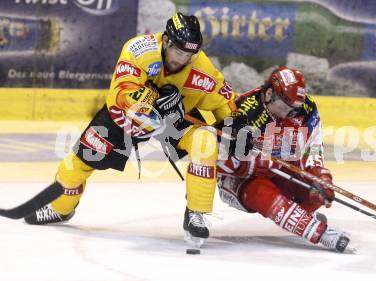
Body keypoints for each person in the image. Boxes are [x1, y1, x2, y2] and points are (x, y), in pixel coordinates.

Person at [24, 12, 237, 247]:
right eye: (178, 51)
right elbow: (121, 94)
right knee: (77, 163)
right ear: (166, 40)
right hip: (128, 118)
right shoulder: (139, 50)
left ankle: (196, 213)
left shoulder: (201, 69)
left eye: (189, 54)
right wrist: (153, 100)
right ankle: (61, 208)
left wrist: (236, 126)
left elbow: (224, 102)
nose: (183, 58)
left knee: (204, 141)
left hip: (175, 119)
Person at [216, 66, 351, 252]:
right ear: (270, 93)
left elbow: (312, 149)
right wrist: (252, 164)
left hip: (280, 167)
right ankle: (316, 231)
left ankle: (301, 218)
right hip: (241, 179)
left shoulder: (305, 110)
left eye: (294, 109)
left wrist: (321, 177)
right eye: (285, 107)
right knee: (262, 192)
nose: (290, 114)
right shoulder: (243, 112)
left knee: (315, 190)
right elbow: (217, 161)